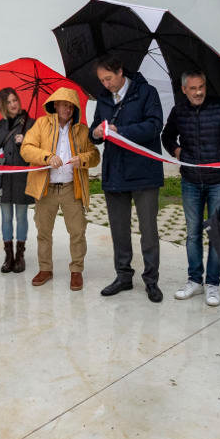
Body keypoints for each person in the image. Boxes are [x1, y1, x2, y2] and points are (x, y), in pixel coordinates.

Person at [161, 71, 220, 307]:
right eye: (193, 88)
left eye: (202, 87)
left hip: (219, 181)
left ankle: (213, 284)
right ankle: (194, 280)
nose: (199, 92)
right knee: (193, 233)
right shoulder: (179, 111)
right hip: (190, 181)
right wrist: (177, 152)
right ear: (185, 90)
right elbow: (167, 136)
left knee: (217, 231)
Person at [89, 54, 165, 302]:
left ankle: (151, 281)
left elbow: (155, 126)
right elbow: (93, 132)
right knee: (119, 229)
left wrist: (122, 131)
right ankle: (123, 276)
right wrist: (97, 133)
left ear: (121, 71)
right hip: (115, 173)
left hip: (144, 172)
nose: (106, 84)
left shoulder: (147, 93)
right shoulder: (103, 98)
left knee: (148, 230)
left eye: (109, 78)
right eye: (102, 80)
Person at [20, 87, 100, 291]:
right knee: (43, 231)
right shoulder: (41, 124)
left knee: (77, 231)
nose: (68, 108)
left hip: (71, 188)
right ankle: (45, 269)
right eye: (64, 104)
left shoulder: (82, 130)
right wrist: (47, 157)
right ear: (55, 104)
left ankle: (76, 271)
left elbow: (95, 155)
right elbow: (26, 149)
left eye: (72, 105)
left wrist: (81, 159)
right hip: (45, 188)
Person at [0, 88, 35, 273]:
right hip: (3, 178)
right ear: (3, 105)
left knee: (21, 217)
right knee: (6, 217)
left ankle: (20, 255)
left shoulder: (30, 124)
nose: (13, 104)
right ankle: (9, 256)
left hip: (22, 177)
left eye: (15, 100)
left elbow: (38, 148)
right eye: (8, 102)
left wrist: (26, 140)